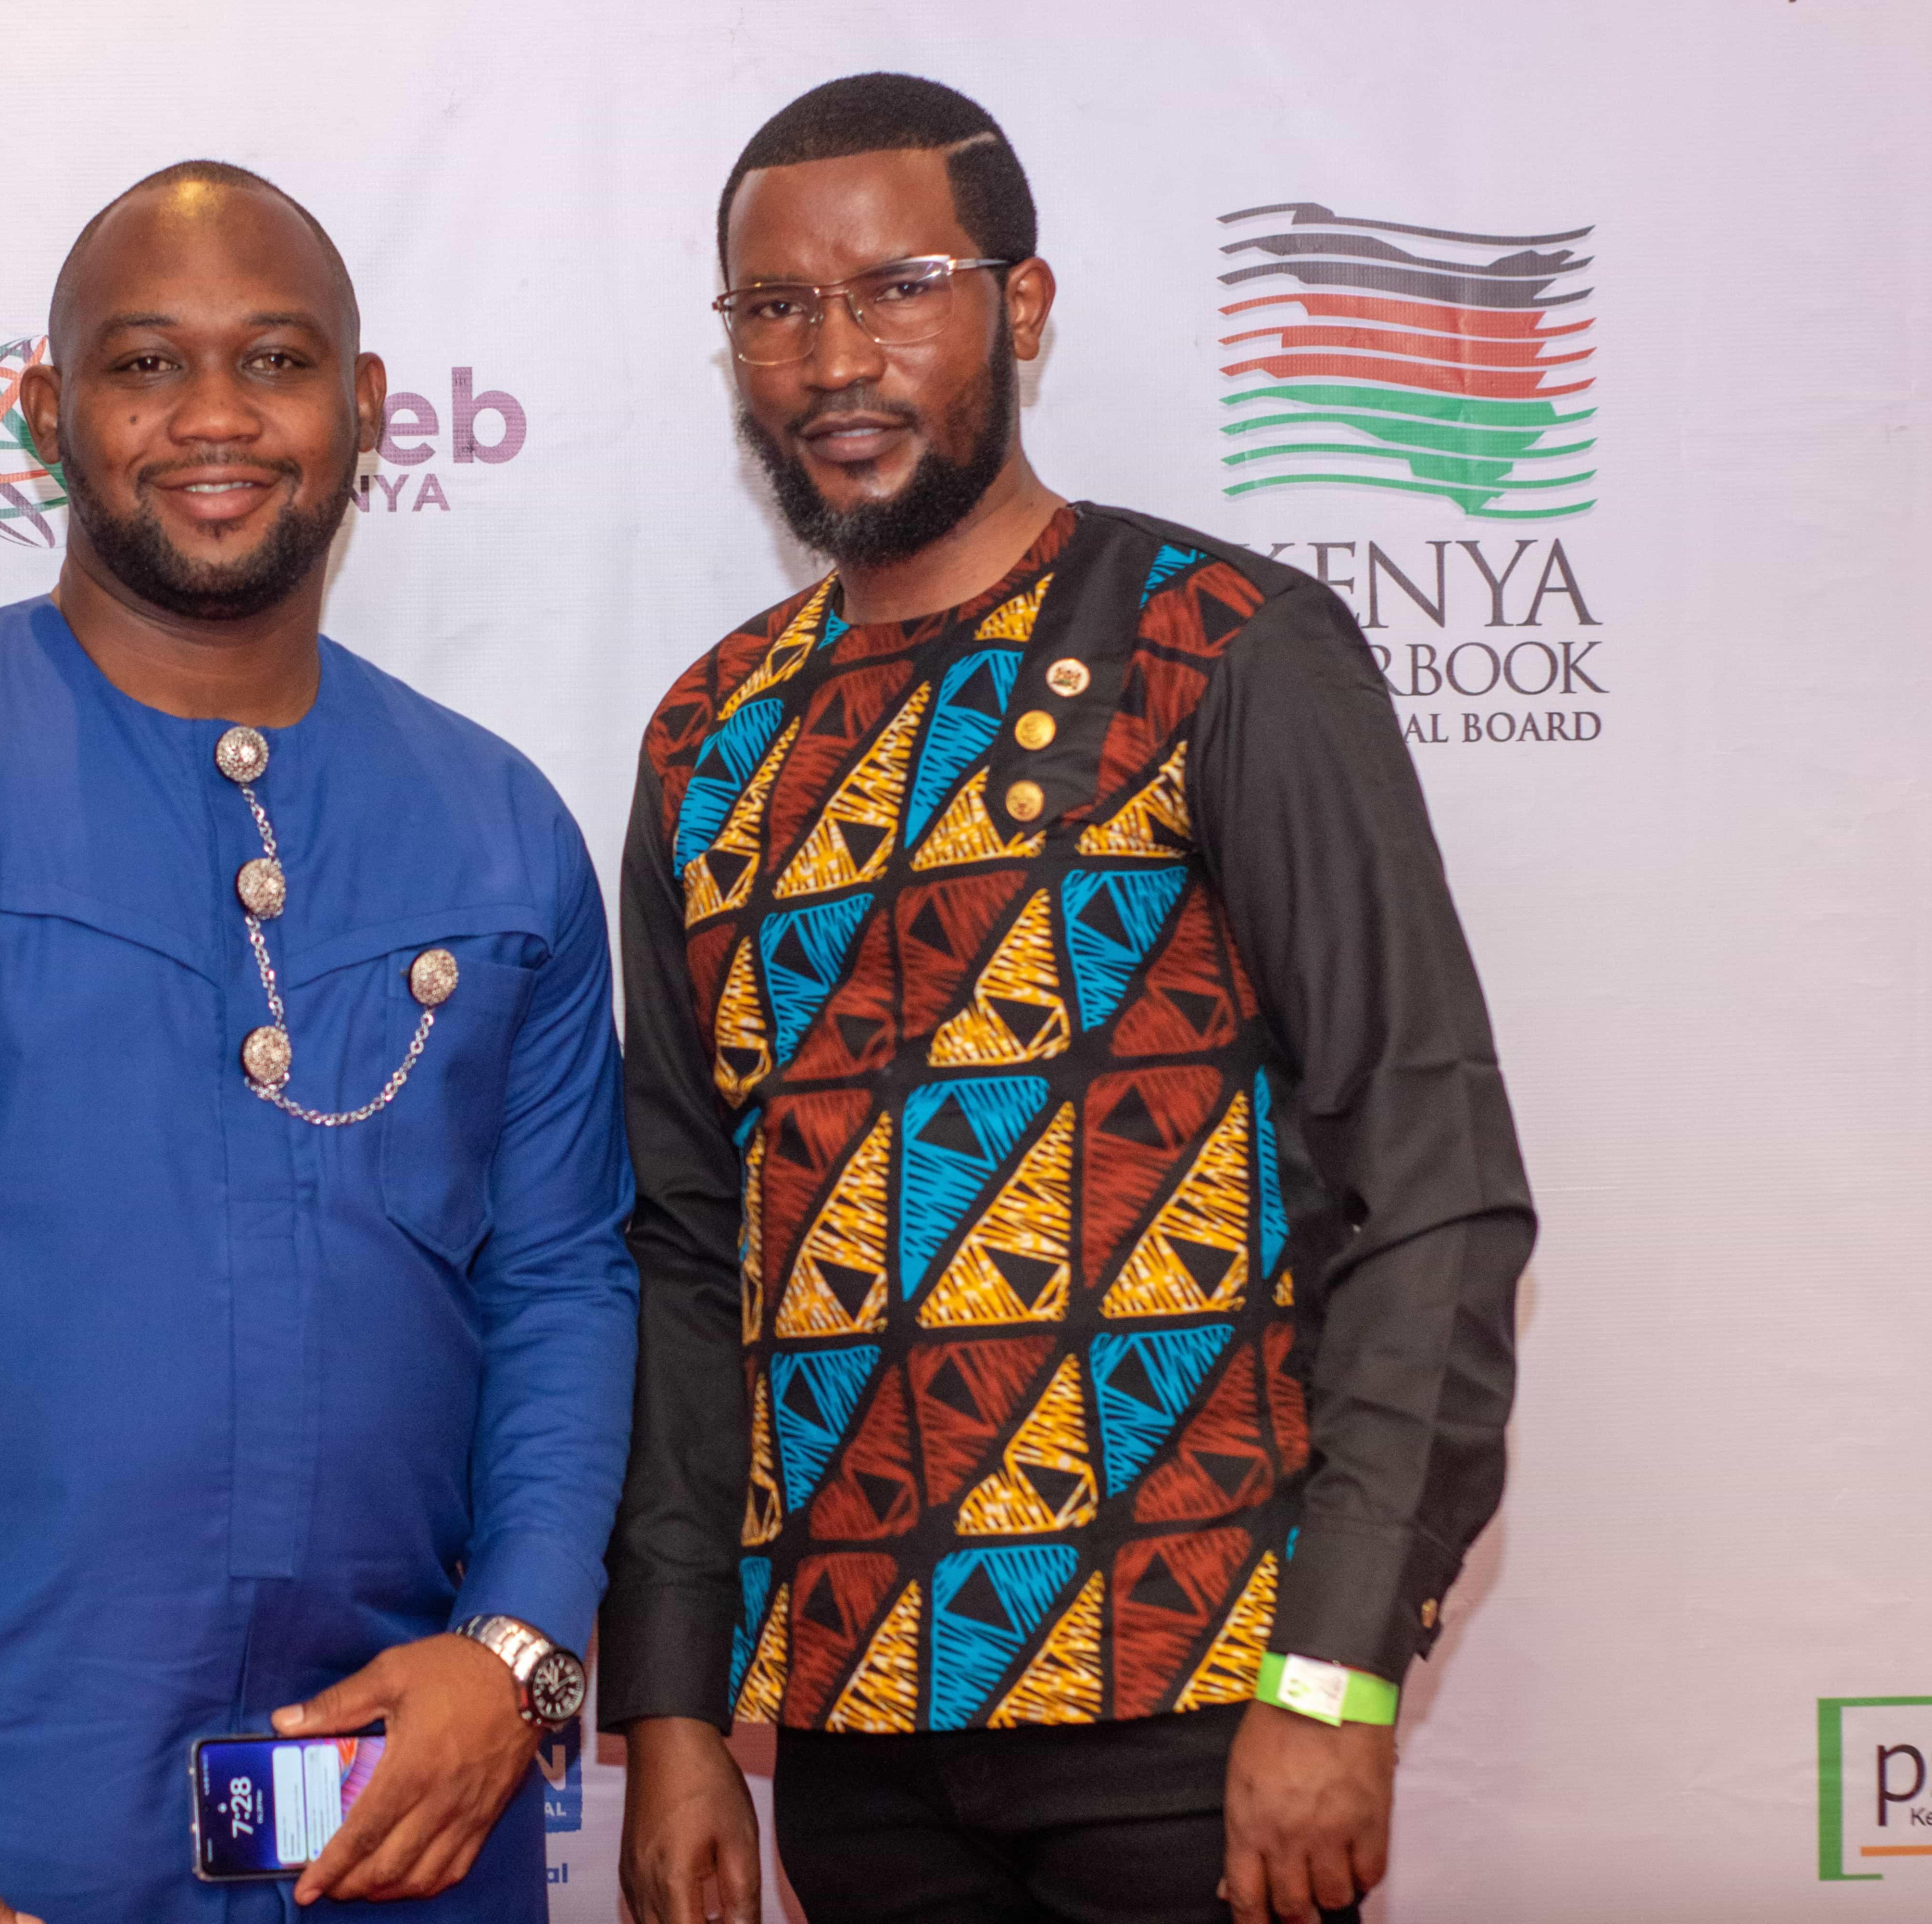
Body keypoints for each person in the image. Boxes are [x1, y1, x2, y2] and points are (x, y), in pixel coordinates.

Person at [0, 159, 636, 1923]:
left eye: (276, 359)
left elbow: (563, 1279)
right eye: (145, 365)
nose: (216, 418)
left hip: (412, 1818)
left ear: (369, 409)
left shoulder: (501, 832)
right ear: (45, 412)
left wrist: (518, 1656)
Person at [600, 75, 1534, 1924]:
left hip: (1201, 1714)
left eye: (901, 287)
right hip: (856, 1743)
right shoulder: (709, 738)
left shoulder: (1227, 652)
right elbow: (689, 1248)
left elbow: (1430, 1188)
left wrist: (1339, 1669)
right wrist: (679, 1703)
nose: (835, 356)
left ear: (1019, 311)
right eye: (775, 309)